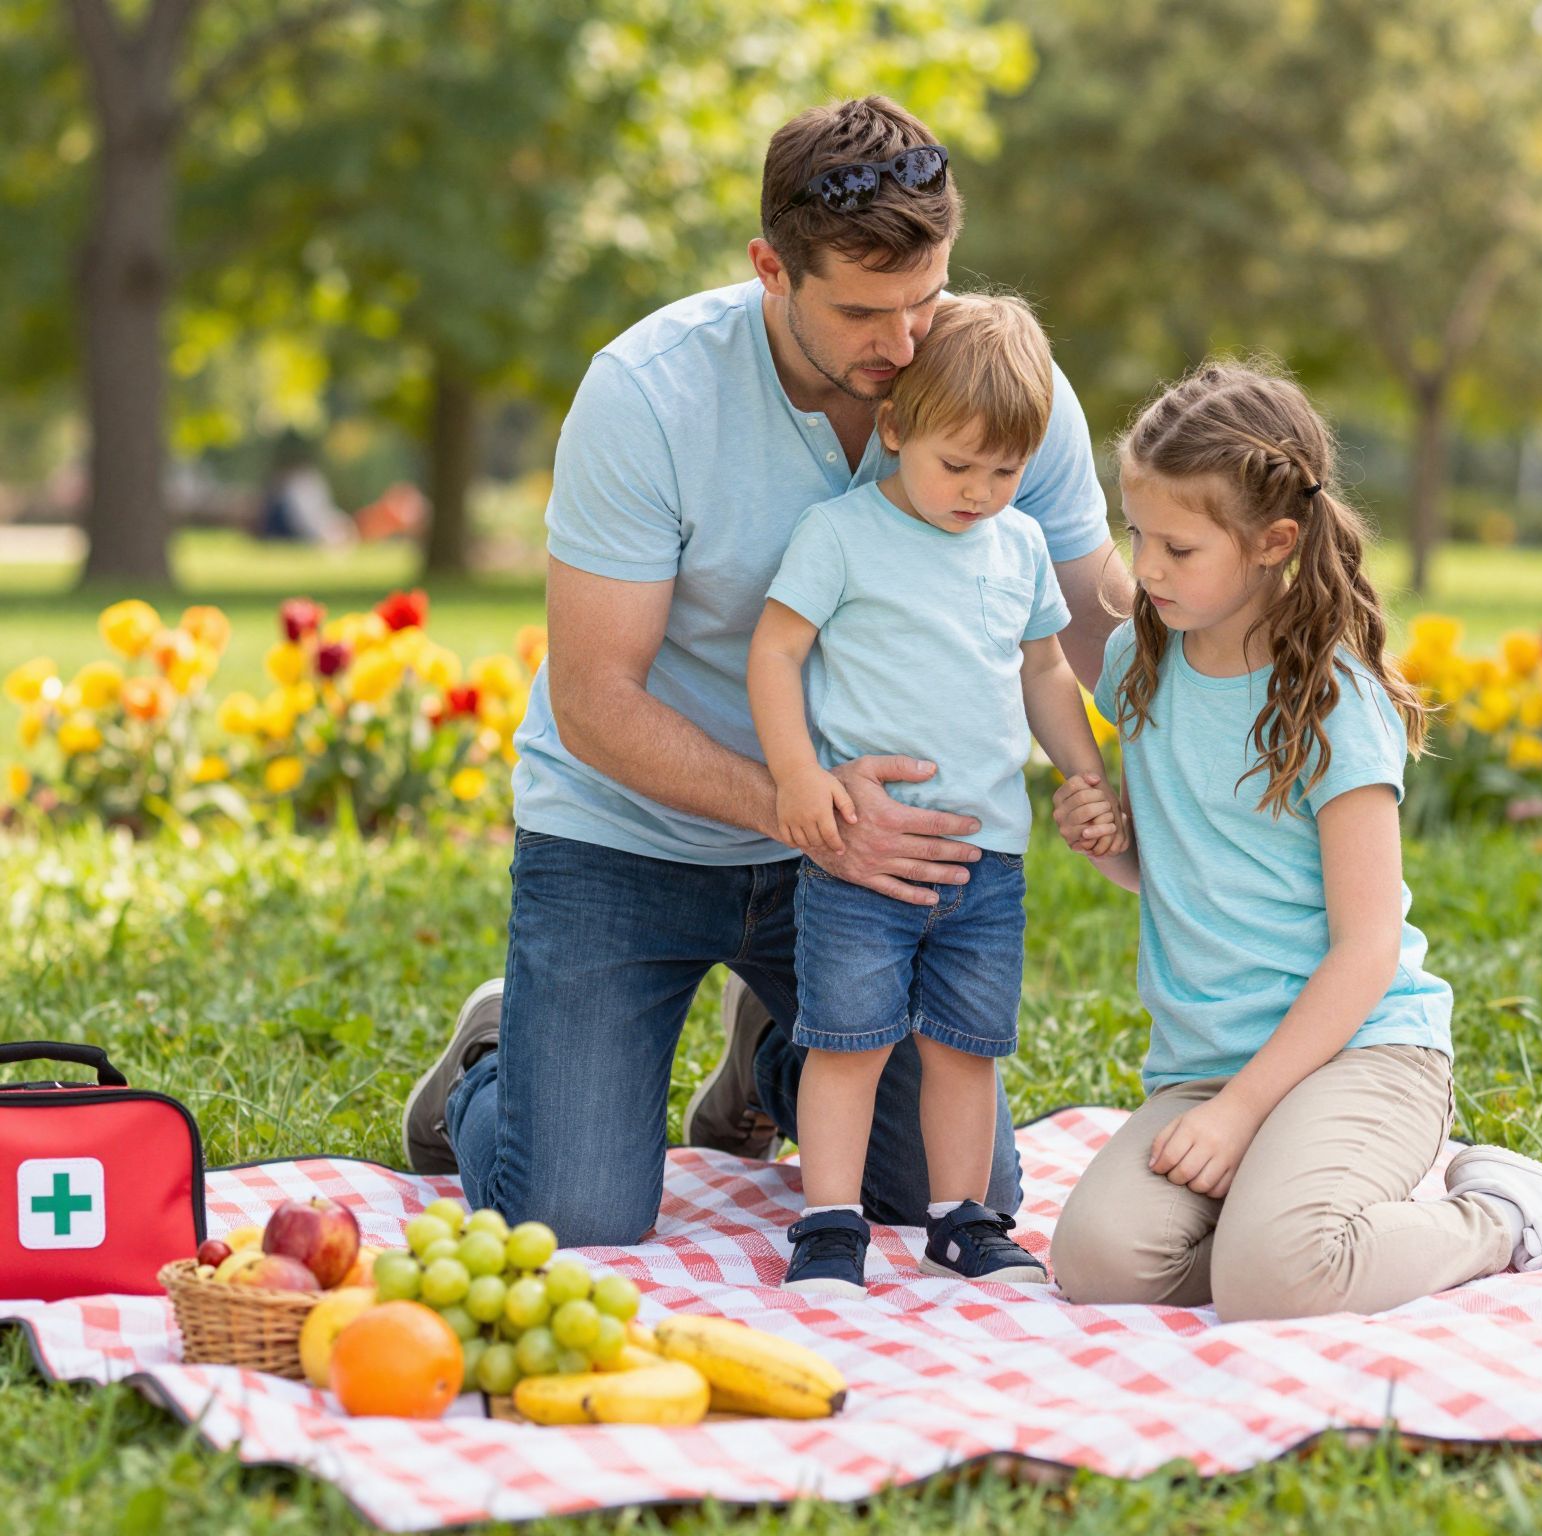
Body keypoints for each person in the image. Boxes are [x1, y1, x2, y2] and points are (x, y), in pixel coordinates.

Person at [400, 96, 1133, 1247]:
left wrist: (1220, 725)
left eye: (924, 299)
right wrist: (804, 811)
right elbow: (595, 702)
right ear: (769, 270)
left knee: (948, 1195)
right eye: (860, 311)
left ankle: (777, 1057)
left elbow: (1093, 621)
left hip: (856, 867)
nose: (901, 347)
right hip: (626, 834)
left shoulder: (990, 386)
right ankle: (498, 1059)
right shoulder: (647, 394)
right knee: (573, 1216)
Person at [1048, 360, 1542, 1320]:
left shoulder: (1331, 700)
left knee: (1274, 1284)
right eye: (1137, 536)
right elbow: (1166, 866)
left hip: (1365, 1056)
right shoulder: (1141, 660)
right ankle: (1287, 1219)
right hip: (1205, 1065)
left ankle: (1505, 1217)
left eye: (1177, 545)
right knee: (1098, 1265)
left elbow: (1369, 948)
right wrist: (1107, 840)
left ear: (1273, 542)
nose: (1147, 569)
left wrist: (1244, 1112)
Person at [749, 294, 1128, 1296]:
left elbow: (1043, 672)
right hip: (862, 858)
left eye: (1004, 471)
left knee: (965, 1047)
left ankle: (963, 1219)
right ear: (895, 428)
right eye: (956, 465)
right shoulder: (841, 535)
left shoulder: (1018, 548)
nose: (976, 491)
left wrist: (1085, 775)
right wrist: (797, 774)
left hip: (983, 860)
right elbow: (776, 651)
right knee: (849, 1043)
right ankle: (829, 1222)